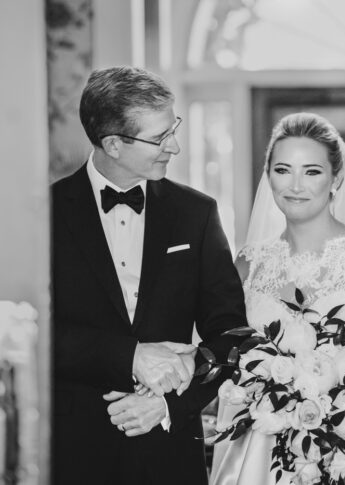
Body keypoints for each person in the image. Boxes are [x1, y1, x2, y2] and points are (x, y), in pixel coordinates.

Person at [52, 66, 246, 485]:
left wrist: (168, 407)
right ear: (113, 144)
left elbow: (230, 334)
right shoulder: (43, 215)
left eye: (171, 129)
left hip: (169, 456)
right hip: (74, 454)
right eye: (159, 137)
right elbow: (36, 333)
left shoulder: (196, 214)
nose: (173, 146)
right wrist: (130, 356)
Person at [210, 112, 345, 484]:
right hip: (261, 461)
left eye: (312, 171)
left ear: (336, 178)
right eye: (283, 170)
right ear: (268, 176)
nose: (295, 185)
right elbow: (226, 362)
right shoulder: (248, 264)